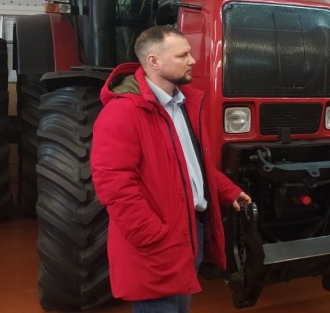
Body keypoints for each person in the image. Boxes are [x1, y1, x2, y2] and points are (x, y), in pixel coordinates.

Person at [91, 25, 251, 313]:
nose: (192, 60)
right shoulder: (122, 112)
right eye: (182, 56)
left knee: (179, 307)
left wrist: (228, 191)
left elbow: (191, 163)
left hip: (190, 230)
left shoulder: (183, 105)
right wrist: (152, 235)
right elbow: (114, 184)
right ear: (153, 61)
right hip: (157, 240)